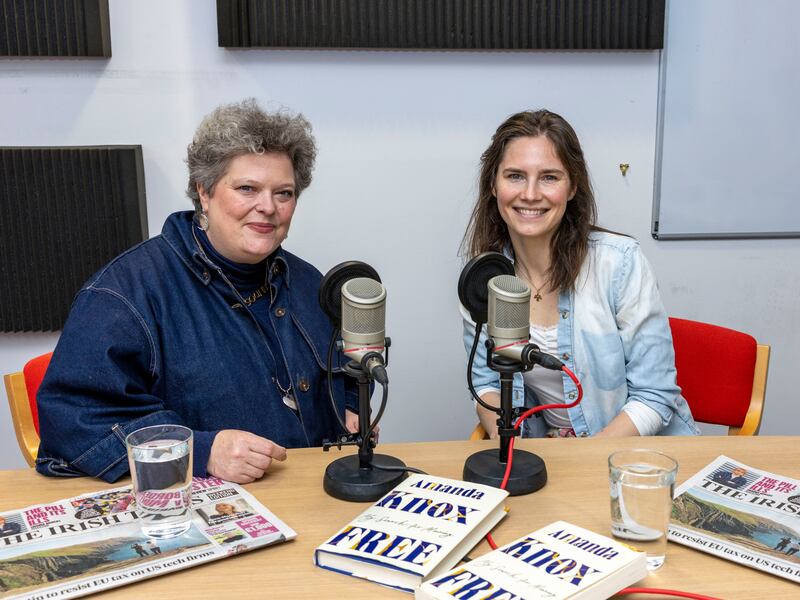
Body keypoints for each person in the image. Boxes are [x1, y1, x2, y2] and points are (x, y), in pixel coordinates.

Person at [36, 99, 361, 484]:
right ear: (204, 192)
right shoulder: (124, 294)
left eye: (284, 193)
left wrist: (353, 409)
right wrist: (200, 451)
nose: (267, 207)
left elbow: (351, 369)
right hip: (201, 509)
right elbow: (72, 418)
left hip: (308, 494)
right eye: (247, 188)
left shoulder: (309, 282)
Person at [461, 110, 698, 438]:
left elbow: (654, 395)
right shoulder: (482, 277)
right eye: (515, 175)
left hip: (639, 456)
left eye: (549, 177)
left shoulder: (620, 263)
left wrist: (583, 463)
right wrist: (511, 442)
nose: (530, 194)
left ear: (572, 187)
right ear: (493, 184)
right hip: (551, 452)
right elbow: (486, 384)